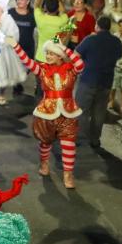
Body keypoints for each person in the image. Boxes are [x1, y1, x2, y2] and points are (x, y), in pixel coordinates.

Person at [9, 37, 84, 189]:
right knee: (45, 142)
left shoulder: (71, 69)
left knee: (69, 143)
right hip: (46, 113)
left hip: (68, 112)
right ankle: (44, 163)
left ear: (60, 56)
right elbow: (27, 61)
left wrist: (64, 48)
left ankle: (68, 174)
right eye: (47, 53)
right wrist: (16, 46)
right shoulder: (42, 69)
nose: (48, 56)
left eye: (51, 53)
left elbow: (81, 64)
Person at [74, 15, 122, 149]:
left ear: (97, 26)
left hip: (88, 80)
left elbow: (76, 55)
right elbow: (119, 55)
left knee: (81, 110)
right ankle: (95, 139)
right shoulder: (116, 42)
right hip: (106, 82)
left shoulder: (90, 40)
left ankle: (80, 137)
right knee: (99, 112)